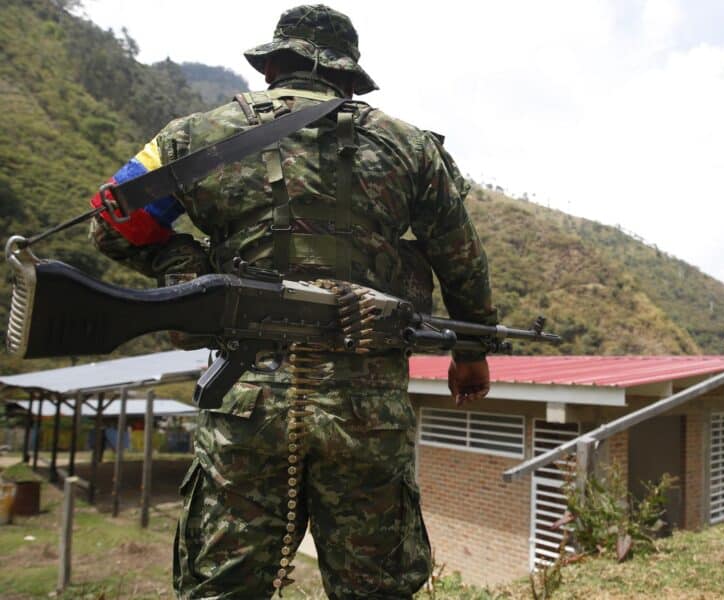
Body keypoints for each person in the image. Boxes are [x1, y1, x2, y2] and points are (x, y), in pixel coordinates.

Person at [88, 5, 496, 597]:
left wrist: (191, 271)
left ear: (273, 64)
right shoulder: (410, 148)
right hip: (366, 407)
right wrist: (473, 351)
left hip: (243, 399)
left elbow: (110, 222)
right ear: (350, 78)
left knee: (223, 586)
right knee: (377, 587)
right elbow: (461, 259)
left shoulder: (196, 137)